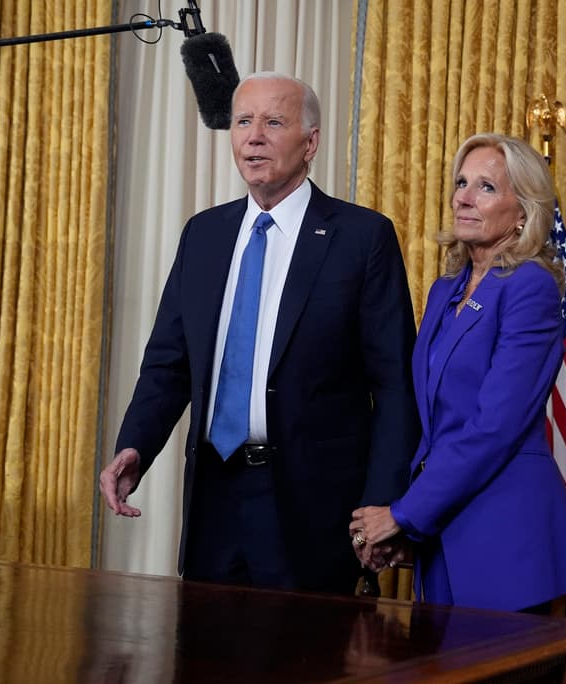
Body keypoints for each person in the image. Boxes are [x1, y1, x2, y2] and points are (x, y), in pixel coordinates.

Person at [99, 72, 420, 594]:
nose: (254, 136)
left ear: (310, 142)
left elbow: (394, 386)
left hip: (312, 508)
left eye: (274, 122)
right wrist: (136, 445)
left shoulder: (362, 238)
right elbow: (168, 362)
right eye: (244, 121)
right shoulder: (204, 234)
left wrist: (383, 501)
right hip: (214, 497)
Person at [347, 133, 566, 612]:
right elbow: (434, 424)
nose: (464, 197)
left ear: (523, 212)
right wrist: (411, 527)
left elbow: (493, 427)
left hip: (506, 538)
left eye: (486, 187)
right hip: (444, 530)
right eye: (461, 183)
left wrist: (402, 514)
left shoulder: (530, 287)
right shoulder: (444, 291)